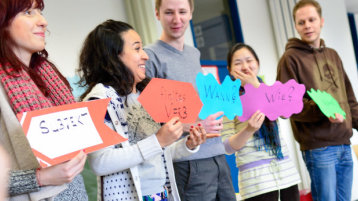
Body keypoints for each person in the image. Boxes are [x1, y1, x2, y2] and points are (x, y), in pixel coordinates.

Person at [78, 19, 207, 201]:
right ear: (113, 56)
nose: (145, 55)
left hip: (161, 194)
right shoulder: (97, 100)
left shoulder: (144, 96)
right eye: (137, 48)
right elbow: (100, 162)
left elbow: (158, 153)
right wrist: (158, 140)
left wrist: (187, 145)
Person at [144, 0, 236, 200]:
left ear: (191, 13)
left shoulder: (194, 53)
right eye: (169, 12)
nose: (177, 19)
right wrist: (194, 126)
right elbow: (148, 120)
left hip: (217, 155)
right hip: (188, 162)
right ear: (157, 14)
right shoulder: (150, 57)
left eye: (182, 12)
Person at [0, 0, 88, 200]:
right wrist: (40, 177)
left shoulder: (47, 76)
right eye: (29, 12)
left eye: (40, 12)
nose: (43, 21)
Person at [276, 0, 358, 200]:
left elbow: (349, 97)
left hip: (344, 144)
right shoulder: (290, 58)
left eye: (311, 20)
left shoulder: (333, 55)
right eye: (301, 22)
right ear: (296, 26)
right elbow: (285, 105)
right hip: (319, 148)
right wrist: (322, 111)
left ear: (321, 21)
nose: (307, 26)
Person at [222, 43, 301, 201]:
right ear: (230, 70)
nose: (245, 66)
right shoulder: (229, 101)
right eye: (238, 63)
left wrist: (255, 86)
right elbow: (226, 147)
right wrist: (248, 130)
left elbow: (286, 110)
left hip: (286, 174)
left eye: (249, 60)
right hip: (256, 181)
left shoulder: (271, 92)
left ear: (257, 64)